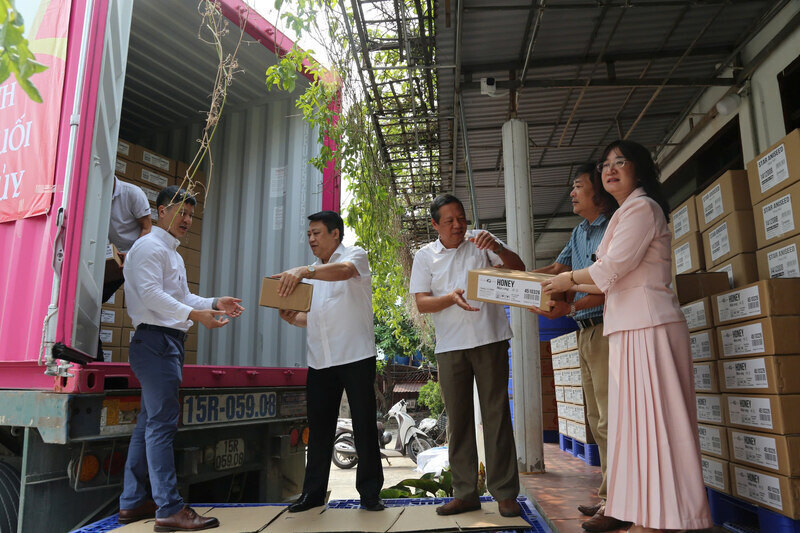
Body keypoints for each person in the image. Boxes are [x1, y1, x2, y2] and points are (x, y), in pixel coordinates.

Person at [542, 141, 712, 533]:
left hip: (649, 327)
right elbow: (600, 269)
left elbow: (611, 268)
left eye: (621, 162)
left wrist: (566, 280)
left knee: (660, 426)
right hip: (628, 328)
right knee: (634, 428)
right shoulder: (626, 213)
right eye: (606, 165)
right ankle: (647, 514)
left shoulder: (643, 208)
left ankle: (673, 517)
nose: (611, 169)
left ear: (640, 170)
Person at [118, 186, 244, 531]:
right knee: (161, 425)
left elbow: (181, 295)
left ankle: (132, 503)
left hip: (167, 344)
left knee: (148, 424)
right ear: (160, 211)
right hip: (155, 344)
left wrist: (215, 302)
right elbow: (151, 296)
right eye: (180, 212)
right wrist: (194, 313)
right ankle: (169, 509)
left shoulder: (171, 253)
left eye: (191, 213)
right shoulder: (148, 247)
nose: (187, 219)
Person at [409, 194, 525, 518]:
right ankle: (465, 492)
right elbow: (421, 302)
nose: (458, 225)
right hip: (450, 347)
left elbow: (519, 270)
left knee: (497, 416)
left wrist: (499, 249)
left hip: (490, 339)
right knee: (458, 422)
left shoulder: (482, 241)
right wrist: (449, 298)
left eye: (461, 218)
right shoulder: (424, 256)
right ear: (435, 225)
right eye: (449, 221)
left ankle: (504, 494)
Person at [530, 163, 624, 532]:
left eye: (578, 186)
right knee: (596, 419)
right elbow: (559, 267)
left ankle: (619, 500)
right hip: (583, 329)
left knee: (610, 416)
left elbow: (606, 281)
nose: (572, 193)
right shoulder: (581, 230)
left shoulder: (613, 226)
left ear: (596, 191)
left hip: (605, 325)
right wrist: (511, 280)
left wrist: (570, 304)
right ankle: (608, 493)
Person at [277, 211, 384, 513]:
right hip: (320, 360)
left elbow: (346, 271)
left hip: (355, 356)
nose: (311, 239)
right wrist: (291, 318)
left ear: (335, 233)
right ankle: (312, 494)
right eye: (309, 234)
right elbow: (312, 318)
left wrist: (305, 271)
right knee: (320, 429)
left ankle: (370, 494)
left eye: (317, 233)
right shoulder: (312, 275)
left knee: (364, 425)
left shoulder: (353, 256)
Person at [104, 176, 152, 302]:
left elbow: (147, 228)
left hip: (134, 253)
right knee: (98, 296)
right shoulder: (96, 192)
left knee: (144, 301)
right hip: (113, 255)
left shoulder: (133, 194)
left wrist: (131, 255)